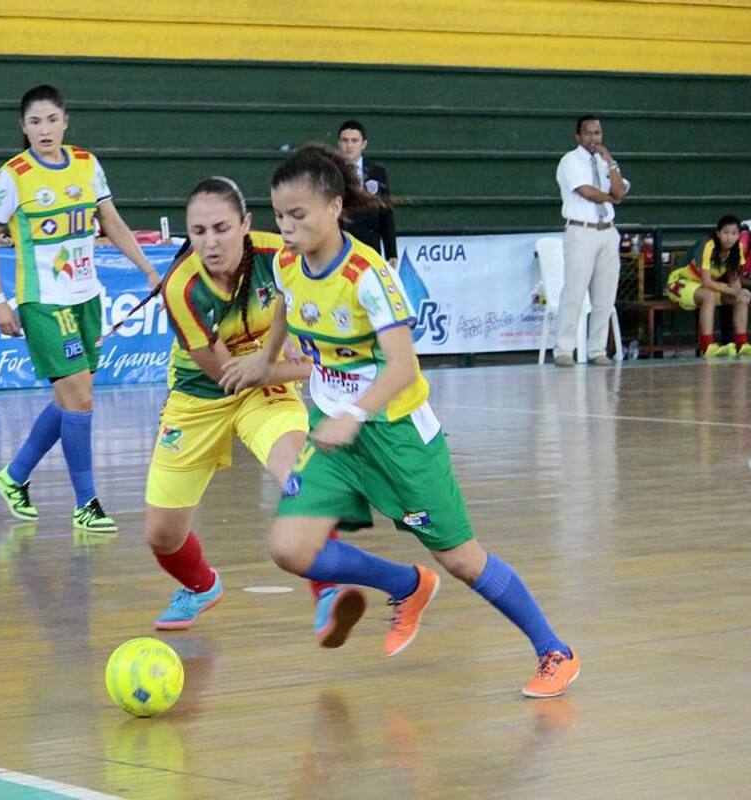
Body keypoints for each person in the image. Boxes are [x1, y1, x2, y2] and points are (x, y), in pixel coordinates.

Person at [221, 145, 579, 698]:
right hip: (334, 434)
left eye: (299, 215)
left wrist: (356, 415)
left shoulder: (369, 275)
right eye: (279, 216)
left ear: (335, 207)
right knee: (291, 548)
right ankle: (406, 586)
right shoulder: (287, 265)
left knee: (461, 558)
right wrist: (266, 363)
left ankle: (554, 649)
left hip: (396, 436)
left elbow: (403, 364)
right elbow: (289, 313)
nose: (286, 229)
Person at [145, 177, 335, 632]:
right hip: (201, 396)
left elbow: (305, 301)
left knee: (298, 476)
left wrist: (290, 341)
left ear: (246, 224)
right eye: (199, 231)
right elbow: (229, 376)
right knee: (161, 536)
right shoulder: (182, 288)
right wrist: (315, 366)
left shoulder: (280, 255)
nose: (211, 242)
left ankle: (328, 588)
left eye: (221, 228)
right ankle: (201, 586)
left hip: (266, 390)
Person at [0, 85, 160, 533]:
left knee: (72, 398)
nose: (44, 129)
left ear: (65, 121)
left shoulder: (86, 163)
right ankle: (87, 504)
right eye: (35, 122)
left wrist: (149, 272)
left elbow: (111, 222)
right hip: (42, 301)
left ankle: (15, 476)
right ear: (23, 127)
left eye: (52, 120)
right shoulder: (12, 176)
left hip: (86, 296)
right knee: (79, 397)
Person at [553, 115, 630, 366]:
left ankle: (597, 349)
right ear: (578, 137)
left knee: (605, 295)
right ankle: (564, 349)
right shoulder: (570, 161)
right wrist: (613, 198)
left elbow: (620, 190)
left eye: (597, 133)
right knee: (574, 292)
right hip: (581, 231)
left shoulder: (604, 163)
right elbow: (587, 192)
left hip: (607, 231)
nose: (593, 139)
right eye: (588, 133)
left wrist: (611, 164)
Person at [665, 215, 751, 356]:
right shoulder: (708, 245)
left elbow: (733, 278)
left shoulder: (736, 250)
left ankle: (742, 344)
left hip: (703, 288)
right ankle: (707, 346)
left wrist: (739, 292)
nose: (729, 237)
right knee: (709, 295)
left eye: (734, 233)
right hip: (679, 283)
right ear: (718, 233)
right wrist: (731, 290)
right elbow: (706, 281)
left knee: (742, 297)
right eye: (726, 233)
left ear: (738, 235)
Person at [336, 120, 397, 266]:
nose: (349, 146)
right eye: (345, 140)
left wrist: (391, 251)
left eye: (354, 141)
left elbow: (386, 211)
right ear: (339, 143)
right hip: (340, 245)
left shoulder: (377, 171)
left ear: (363, 144)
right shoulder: (331, 171)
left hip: (370, 245)